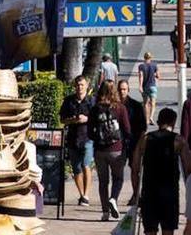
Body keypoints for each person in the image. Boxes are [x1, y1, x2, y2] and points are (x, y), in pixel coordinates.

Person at [139, 106, 183, 235]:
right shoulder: (178, 140)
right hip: (169, 194)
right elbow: (189, 168)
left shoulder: (146, 139)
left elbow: (134, 166)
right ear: (173, 122)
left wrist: (135, 192)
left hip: (149, 193)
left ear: (158, 121)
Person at [91, 79, 130, 221]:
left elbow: (90, 131)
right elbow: (127, 130)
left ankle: (105, 212)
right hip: (117, 150)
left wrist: (97, 140)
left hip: (100, 150)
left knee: (103, 181)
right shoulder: (120, 108)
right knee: (118, 178)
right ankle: (113, 198)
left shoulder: (96, 109)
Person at [60, 74, 95, 207]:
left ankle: (86, 195)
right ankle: (81, 195)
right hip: (73, 139)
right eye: (78, 85)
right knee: (76, 169)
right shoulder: (69, 101)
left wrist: (87, 119)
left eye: (82, 85)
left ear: (86, 86)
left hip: (87, 138)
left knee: (86, 165)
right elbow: (62, 119)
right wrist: (73, 120)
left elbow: (97, 119)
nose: (80, 87)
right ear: (74, 86)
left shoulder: (91, 101)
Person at [117, 77, 147, 204]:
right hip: (119, 143)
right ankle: (115, 196)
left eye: (124, 89)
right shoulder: (114, 106)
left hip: (134, 142)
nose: (122, 92)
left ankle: (136, 195)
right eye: (120, 89)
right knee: (118, 171)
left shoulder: (136, 106)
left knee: (135, 170)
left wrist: (140, 144)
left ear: (128, 90)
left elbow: (142, 127)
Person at [138, 50, 159, 118]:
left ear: (144, 58)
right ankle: (151, 117)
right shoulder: (155, 65)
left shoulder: (141, 66)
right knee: (153, 103)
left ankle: (146, 117)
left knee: (145, 103)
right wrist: (154, 75)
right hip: (153, 86)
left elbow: (141, 76)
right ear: (151, 58)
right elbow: (158, 76)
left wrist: (140, 86)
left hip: (145, 87)